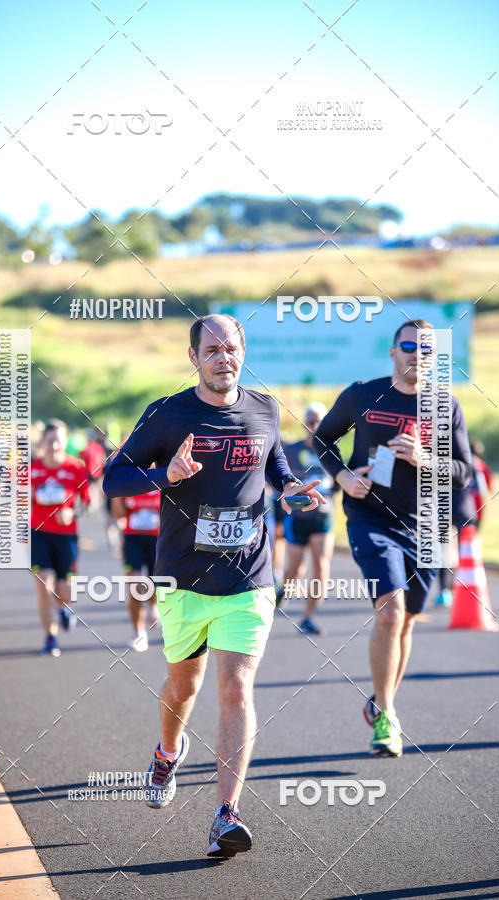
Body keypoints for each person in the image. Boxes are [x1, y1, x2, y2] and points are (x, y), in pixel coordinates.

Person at [103, 313, 324, 857]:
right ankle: (168, 751)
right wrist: (166, 475)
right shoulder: (168, 413)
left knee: (236, 688)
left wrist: (290, 487)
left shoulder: (265, 408)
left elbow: (275, 465)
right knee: (184, 687)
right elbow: (114, 478)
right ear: (194, 357)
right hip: (184, 576)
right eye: (212, 350)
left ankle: (227, 813)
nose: (223, 358)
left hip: (248, 576)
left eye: (231, 348)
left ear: (243, 352)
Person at [313, 320, 472, 757]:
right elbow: (323, 439)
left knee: (407, 621)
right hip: (372, 518)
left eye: (426, 349)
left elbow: (464, 473)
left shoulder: (446, 406)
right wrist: (343, 477)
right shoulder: (363, 395)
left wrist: (425, 459)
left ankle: (383, 701)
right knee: (390, 613)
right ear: (392, 351)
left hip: (430, 524)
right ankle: (386, 716)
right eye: (409, 346)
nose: (416, 355)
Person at [31, 420, 90, 657]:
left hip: (67, 536)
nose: (54, 446)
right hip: (39, 534)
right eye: (50, 441)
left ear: (65, 443)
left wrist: (72, 512)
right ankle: (50, 637)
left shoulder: (76, 467)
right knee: (44, 584)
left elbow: (86, 502)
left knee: (65, 591)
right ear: (43, 442)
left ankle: (64, 609)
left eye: (58, 441)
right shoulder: (33, 469)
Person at [277, 403, 336, 634]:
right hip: (298, 518)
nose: (315, 426)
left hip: (323, 517)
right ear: (304, 424)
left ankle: (308, 618)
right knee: (295, 569)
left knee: (321, 567)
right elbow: (279, 477)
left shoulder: (331, 451)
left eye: (320, 421)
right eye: (311, 422)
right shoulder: (292, 450)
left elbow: (341, 479)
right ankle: (283, 590)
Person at [112, 485, 161, 651]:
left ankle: (154, 605)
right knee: (134, 586)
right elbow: (120, 514)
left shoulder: (163, 477)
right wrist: (116, 494)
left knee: (155, 584)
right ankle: (138, 632)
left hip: (157, 540)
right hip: (133, 539)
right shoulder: (131, 479)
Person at [469, 440, 493, 526]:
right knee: (476, 524)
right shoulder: (482, 465)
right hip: (478, 499)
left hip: (465, 498)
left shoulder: (465, 463)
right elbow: (490, 485)